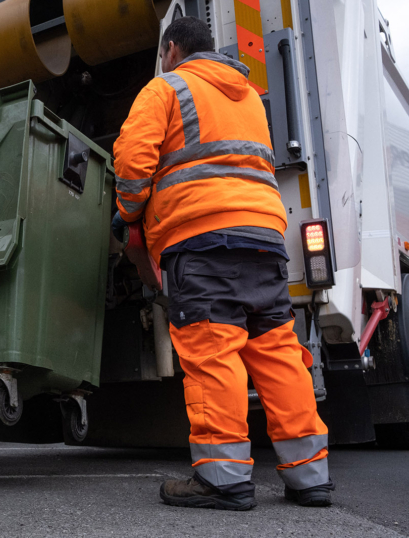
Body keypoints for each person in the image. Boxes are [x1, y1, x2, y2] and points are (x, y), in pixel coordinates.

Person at [112, 17, 333, 510]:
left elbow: (132, 163)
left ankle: (224, 479)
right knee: (277, 351)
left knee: (213, 351)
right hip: (264, 238)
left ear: (171, 49)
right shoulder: (249, 95)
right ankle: (309, 476)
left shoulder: (166, 87)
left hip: (202, 238)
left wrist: (127, 215)